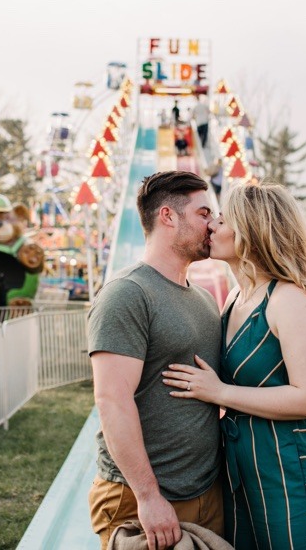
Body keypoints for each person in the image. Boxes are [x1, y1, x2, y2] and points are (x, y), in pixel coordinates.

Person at [163, 182, 306, 549]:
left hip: (292, 471)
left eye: (223, 218)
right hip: (243, 472)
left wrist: (220, 393)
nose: (212, 225)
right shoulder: (233, 298)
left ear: (251, 230)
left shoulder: (287, 298)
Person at [88, 171, 224, 550]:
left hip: (205, 490)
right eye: (203, 214)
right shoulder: (127, 294)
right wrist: (148, 496)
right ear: (168, 216)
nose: (212, 225)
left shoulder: (204, 300)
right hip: (141, 496)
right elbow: (112, 399)